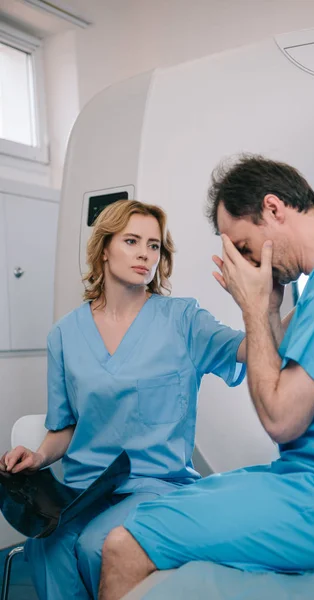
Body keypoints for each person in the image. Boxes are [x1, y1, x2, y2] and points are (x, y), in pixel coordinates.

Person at [98, 155, 314, 600]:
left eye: (242, 246)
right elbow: (277, 359)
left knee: (125, 543)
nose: (244, 262)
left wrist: (254, 309)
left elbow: (280, 418)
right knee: (169, 505)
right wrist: (271, 309)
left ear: (274, 209)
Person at [0, 199, 247, 600]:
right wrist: (38, 456)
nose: (145, 254)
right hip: (83, 489)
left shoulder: (182, 319)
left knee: (96, 545)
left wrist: (265, 301)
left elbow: (249, 350)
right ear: (104, 249)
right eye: (132, 241)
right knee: (48, 546)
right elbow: (64, 426)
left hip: (156, 484)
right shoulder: (64, 334)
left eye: (154, 245)